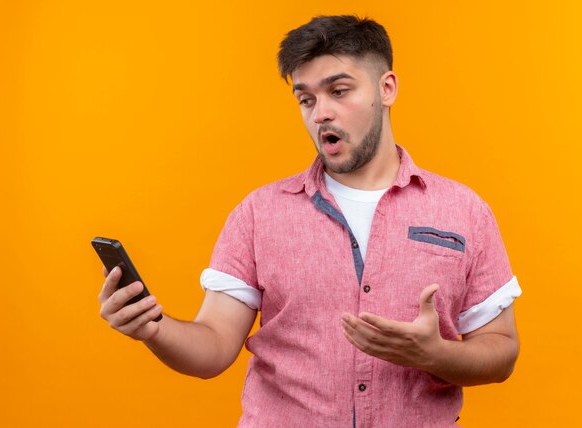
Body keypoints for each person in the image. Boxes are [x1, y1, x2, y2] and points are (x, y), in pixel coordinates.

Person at [98, 15, 522, 427]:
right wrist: (152, 328)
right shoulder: (258, 214)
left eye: (339, 91)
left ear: (386, 88)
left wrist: (434, 355)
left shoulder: (464, 211)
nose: (320, 113)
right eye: (306, 99)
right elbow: (211, 349)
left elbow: (501, 351)